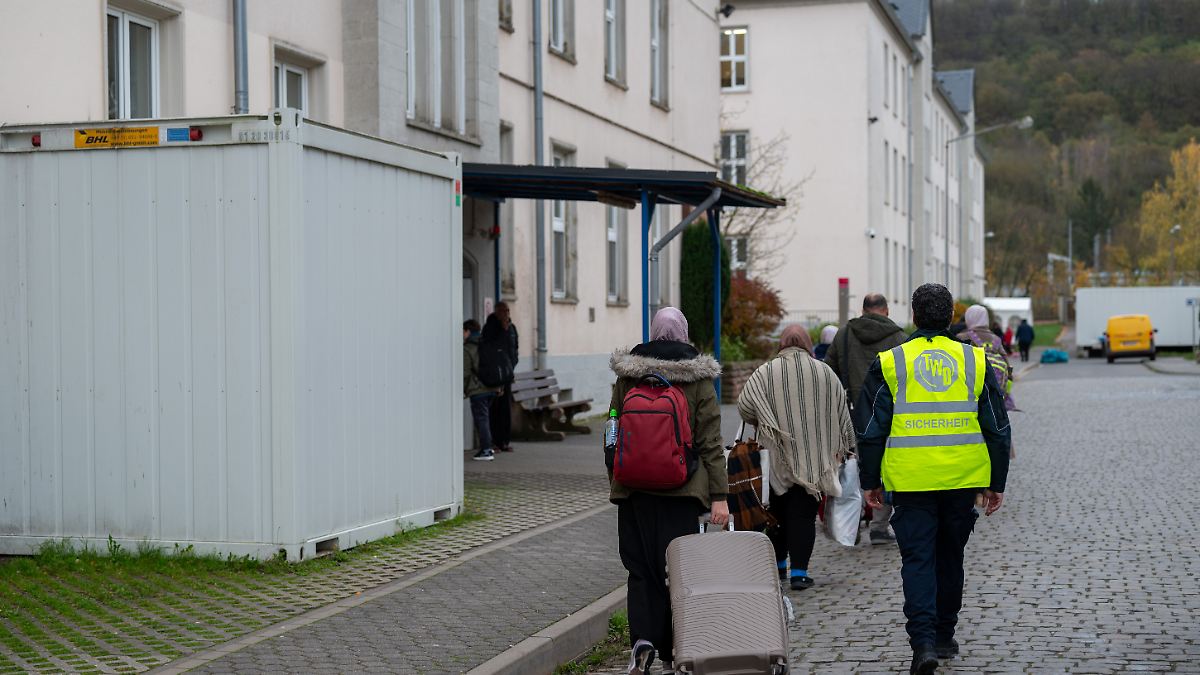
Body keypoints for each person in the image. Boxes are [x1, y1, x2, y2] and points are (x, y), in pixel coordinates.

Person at [856, 284, 1011, 675]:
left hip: (911, 480)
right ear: (949, 316)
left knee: (918, 560)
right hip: (962, 478)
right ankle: (944, 635)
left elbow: (872, 428)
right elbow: (997, 426)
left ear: (913, 315)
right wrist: (997, 482)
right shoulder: (975, 361)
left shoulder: (892, 362)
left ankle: (922, 643)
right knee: (950, 557)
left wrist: (870, 480)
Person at [609, 307, 728, 675]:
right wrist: (720, 496)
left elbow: (612, 430)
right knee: (678, 572)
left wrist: (617, 474)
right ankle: (675, 649)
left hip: (634, 491)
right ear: (685, 334)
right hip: (683, 491)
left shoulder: (628, 375)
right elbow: (710, 441)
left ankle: (643, 638)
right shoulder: (698, 379)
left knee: (640, 570)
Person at [737, 325, 855, 591]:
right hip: (815, 459)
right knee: (803, 515)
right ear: (807, 344)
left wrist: (764, 418)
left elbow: (744, 406)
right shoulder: (825, 372)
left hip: (775, 457)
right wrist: (846, 445)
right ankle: (800, 573)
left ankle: (778, 566)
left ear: (781, 344)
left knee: (775, 513)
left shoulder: (765, 372)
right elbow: (841, 412)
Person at [823, 292, 907, 543]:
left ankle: (850, 524)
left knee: (851, 468)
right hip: (888, 413)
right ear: (887, 310)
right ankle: (880, 525)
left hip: (850, 413)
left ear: (863, 310)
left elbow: (830, 372)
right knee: (884, 467)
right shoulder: (899, 338)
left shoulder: (844, 335)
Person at [958, 305, 1016, 412]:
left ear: (968, 318)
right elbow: (1008, 367)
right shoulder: (996, 339)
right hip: (994, 392)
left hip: (971, 392)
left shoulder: (962, 337)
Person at [463, 319, 500, 461]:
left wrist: (463, 389)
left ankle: (486, 450)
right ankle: (487, 447)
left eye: (463, 332)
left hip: (478, 389)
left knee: (481, 420)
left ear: (468, 331)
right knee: (485, 418)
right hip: (492, 387)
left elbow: (465, 372)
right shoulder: (488, 343)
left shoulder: (468, 348)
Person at [485, 302, 519, 452]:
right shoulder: (491, 326)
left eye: (508, 310)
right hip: (495, 375)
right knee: (494, 410)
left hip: (507, 375)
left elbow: (514, 348)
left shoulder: (512, 328)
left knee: (505, 409)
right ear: (497, 312)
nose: (506, 313)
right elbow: (490, 347)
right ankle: (493, 441)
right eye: (503, 311)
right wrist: (502, 330)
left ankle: (504, 441)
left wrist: (512, 365)